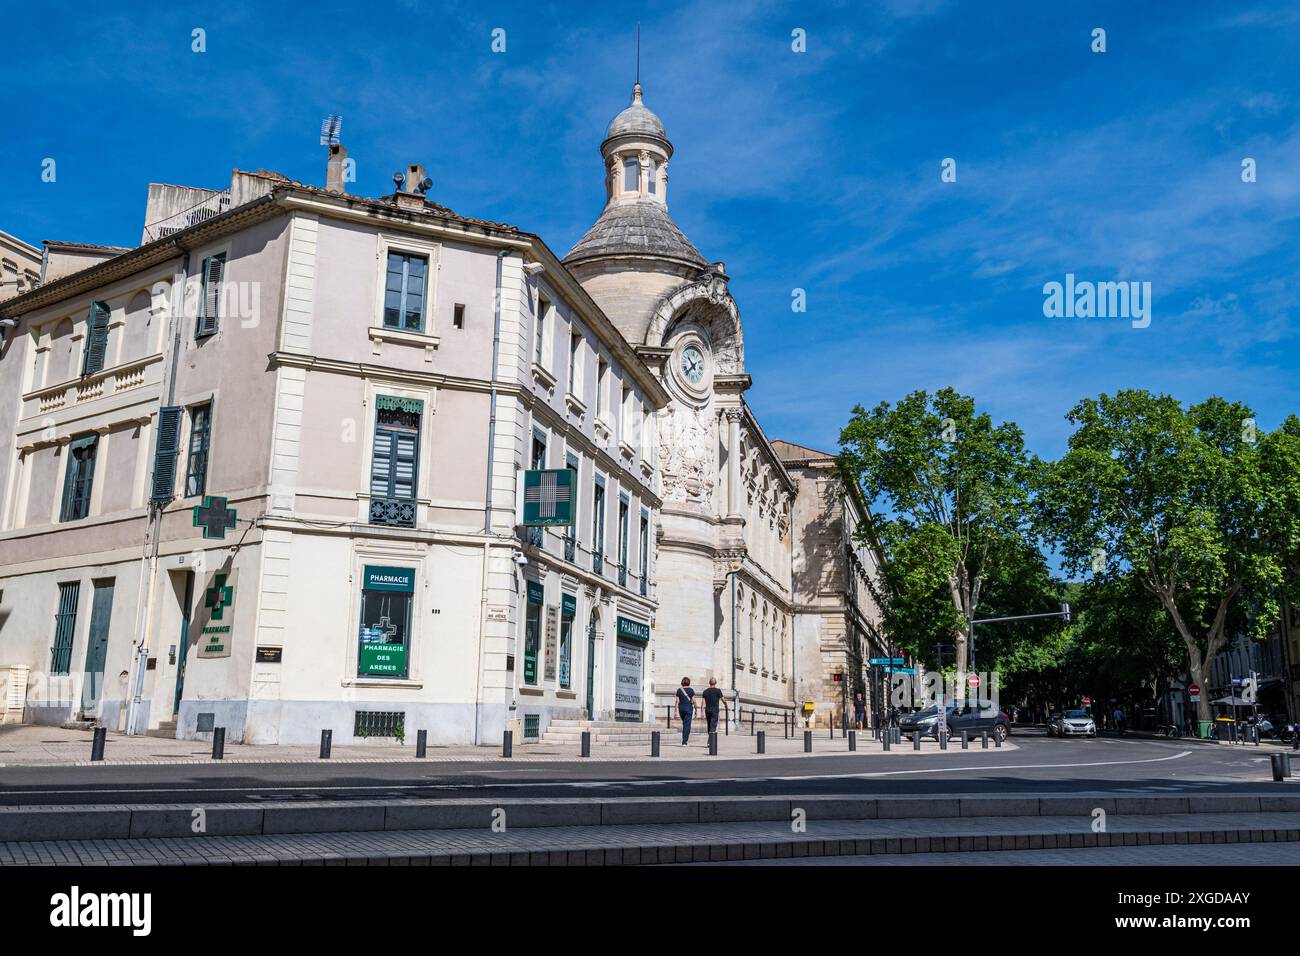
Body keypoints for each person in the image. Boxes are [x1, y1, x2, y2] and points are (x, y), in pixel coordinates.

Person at [676, 677, 696, 745]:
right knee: (687, 725)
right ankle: (684, 741)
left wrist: (675, 711)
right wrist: (696, 708)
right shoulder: (691, 690)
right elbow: (693, 700)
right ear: (689, 682)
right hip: (688, 709)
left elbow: (677, 701)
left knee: (685, 724)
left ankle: (684, 739)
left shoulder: (679, 690)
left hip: (681, 709)